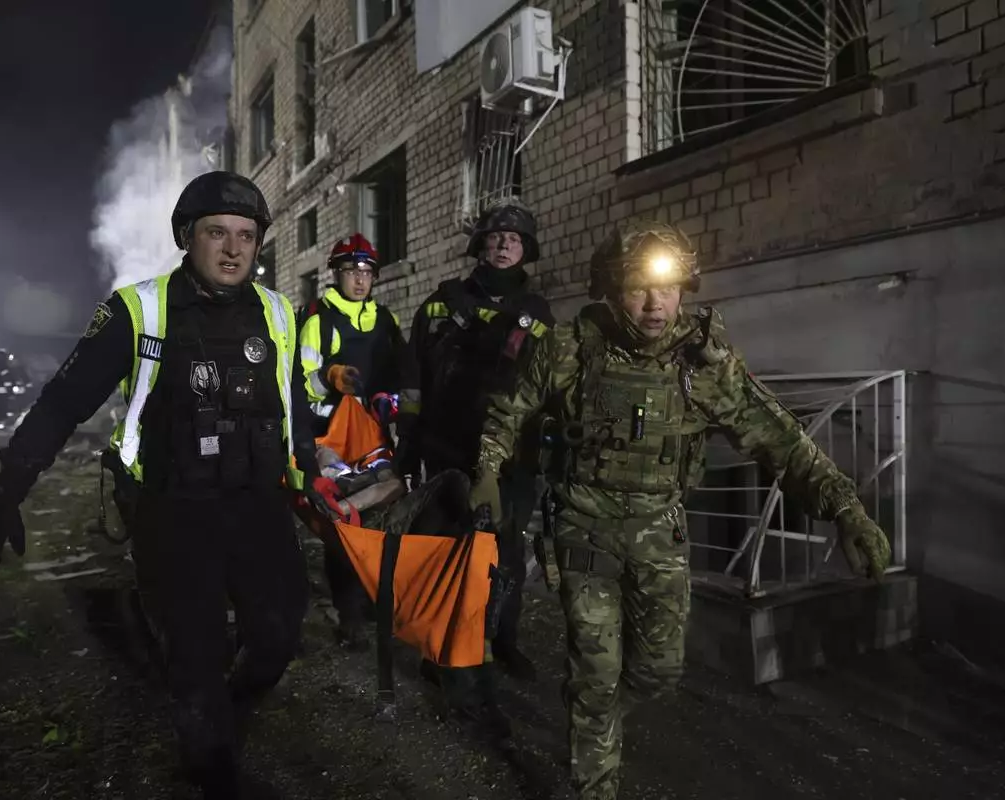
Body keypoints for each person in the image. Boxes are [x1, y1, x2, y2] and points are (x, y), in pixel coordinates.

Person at [469, 218, 894, 800]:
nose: (655, 305)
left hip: (659, 533)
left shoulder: (702, 363)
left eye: (667, 288)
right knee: (596, 673)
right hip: (583, 528)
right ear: (612, 288)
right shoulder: (570, 348)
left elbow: (780, 439)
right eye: (638, 288)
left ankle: (597, 717)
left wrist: (847, 509)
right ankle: (594, 770)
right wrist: (487, 470)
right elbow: (508, 410)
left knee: (658, 670)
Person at [0, 171, 323, 799]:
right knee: (195, 653)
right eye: (217, 233)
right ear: (187, 236)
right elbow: (63, 403)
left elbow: (290, 401)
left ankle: (227, 711)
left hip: (258, 507)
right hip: (173, 511)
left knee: (277, 636)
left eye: (246, 236)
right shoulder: (137, 310)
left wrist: (311, 473)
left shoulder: (277, 312)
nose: (233, 249)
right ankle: (211, 766)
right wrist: (9, 487)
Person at [405, 197, 554, 732]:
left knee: (506, 554)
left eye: (515, 239)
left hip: (514, 457)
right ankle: (440, 650)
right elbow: (413, 378)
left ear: (526, 250)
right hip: (447, 451)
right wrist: (407, 449)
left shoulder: (538, 314)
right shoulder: (441, 304)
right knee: (449, 553)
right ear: (480, 246)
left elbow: (548, 387)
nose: (505, 244)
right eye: (496, 237)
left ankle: (501, 641)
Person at [298, 233, 418, 650]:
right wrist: (331, 377)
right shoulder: (319, 320)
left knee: (381, 515)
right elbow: (301, 382)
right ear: (336, 274)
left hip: (371, 435)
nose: (360, 279)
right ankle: (349, 613)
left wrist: (392, 399)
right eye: (351, 271)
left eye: (367, 271)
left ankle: (371, 596)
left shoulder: (385, 320)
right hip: (328, 436)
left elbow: (400, 370)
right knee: (342, 522)